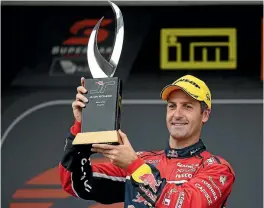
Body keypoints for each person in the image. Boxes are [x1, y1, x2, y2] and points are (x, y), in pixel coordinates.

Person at [59, 74, 235, 208]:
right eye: (172, 106)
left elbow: (186, 204)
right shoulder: (141, 160)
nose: (177, 114)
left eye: (187, 106)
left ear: (204, 114)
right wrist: (81, 126)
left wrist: (135, 166)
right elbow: (75, 183)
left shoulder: (217, 169)